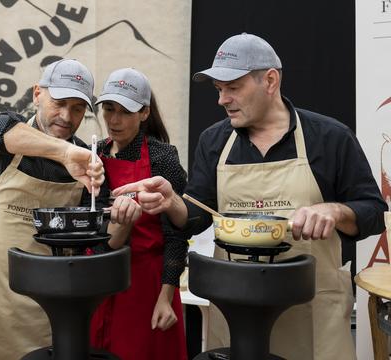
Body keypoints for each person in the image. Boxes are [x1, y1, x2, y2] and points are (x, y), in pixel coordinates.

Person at [114, 33, 387, 360]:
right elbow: (198, 214)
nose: (222, 100)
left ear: (270, 80)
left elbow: (372, 211)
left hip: (310, 313)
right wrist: (172, 201)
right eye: (218, 90)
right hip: (236, 312)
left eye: (233, 87)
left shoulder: (330, 138)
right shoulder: (214, 141)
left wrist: (335, 211)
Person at [0, 59, 140, 360]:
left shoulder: (90, 165)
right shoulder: (2, 140)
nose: (66, 116)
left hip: (46, 316)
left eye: (77, 108)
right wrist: (66, 153)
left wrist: (124, 221)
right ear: (37, 94)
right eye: (58, 103)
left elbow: (99, 247)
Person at [82, 68, 188, 360]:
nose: (114, 120)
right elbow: (93, 230)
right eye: (108, 109)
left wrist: (166, 297)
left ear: (144, 113)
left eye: (125, 112)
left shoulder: (162, 157)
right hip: (101, 279)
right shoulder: (94, 156)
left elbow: (176, 234)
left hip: (148, 284)